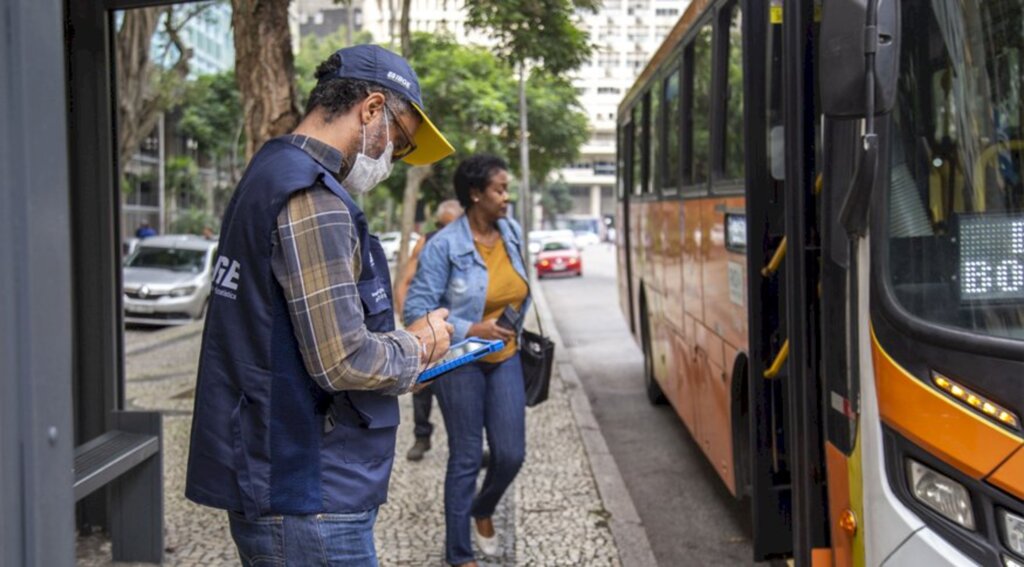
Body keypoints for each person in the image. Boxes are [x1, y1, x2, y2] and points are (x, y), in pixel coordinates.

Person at [185, 44, 456, 566]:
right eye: (398, 142)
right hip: (310, 495)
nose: (392, 160)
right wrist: (419, 345)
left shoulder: (268, 171)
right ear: (372, 109)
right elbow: (343, 358)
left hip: (283, 477)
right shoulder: (314, 197)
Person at [404, 154, 530, 566]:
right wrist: (474, 328)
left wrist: (507, 327)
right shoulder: (445, 245)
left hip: (504, 356)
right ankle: (459, 555)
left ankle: (482, 507)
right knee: (465, 456)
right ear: (475, 194)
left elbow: (519, 288)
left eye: (506, 188)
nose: (506, 197)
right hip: (460, 361)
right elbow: (417, 311)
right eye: (499, 189)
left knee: (511, 453)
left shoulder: (510, 231)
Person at [394, 199, 463, 462]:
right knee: (422, 387)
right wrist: (406, 318)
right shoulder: (425, 242)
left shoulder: (467, 243)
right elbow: (405, 281)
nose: (445, 230)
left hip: (456, 329)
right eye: (441, 225)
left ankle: (467, 443)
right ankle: (422, 437)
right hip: (427, 326)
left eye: (451, 225)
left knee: (462, 390)